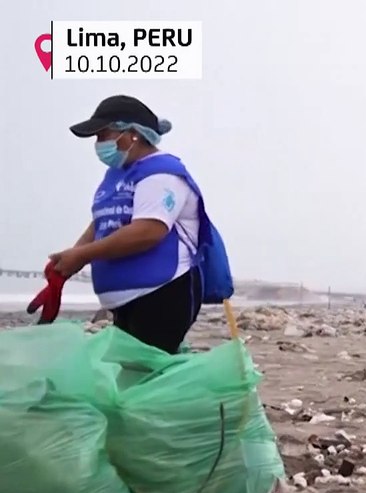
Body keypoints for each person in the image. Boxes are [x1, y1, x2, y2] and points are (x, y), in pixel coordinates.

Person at [47, 95, 233, 353]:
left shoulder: (161, 174)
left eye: (104, 135)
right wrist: (72, 260)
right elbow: (103, 221)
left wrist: (82, 254)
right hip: (126, 300)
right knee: (135, 376)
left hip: (161, 294)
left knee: (148, 377)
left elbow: (148, 231)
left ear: (132, 134)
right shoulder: (118, 174)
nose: (99, 144)